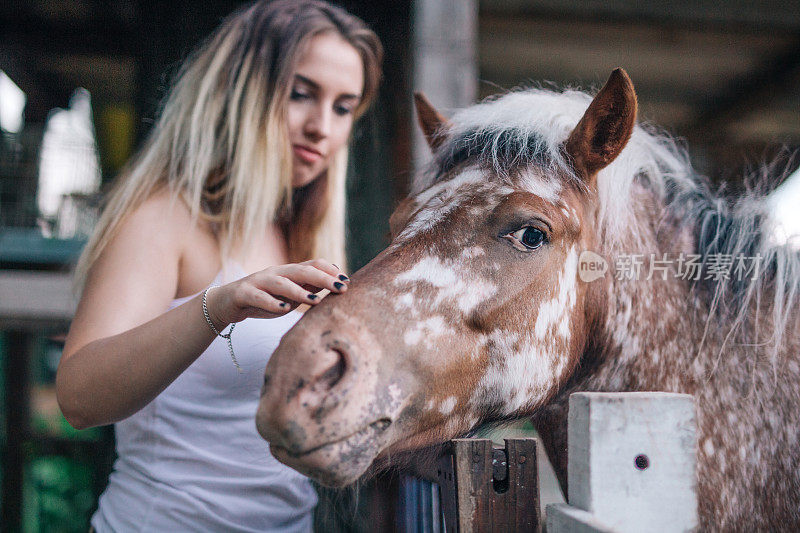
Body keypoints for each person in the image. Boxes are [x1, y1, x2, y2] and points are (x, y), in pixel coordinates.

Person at [55, 1, 382, 530]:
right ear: (241, 91)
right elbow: (78, 397)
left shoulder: (304, 236)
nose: (321, 126)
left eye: (343, 107)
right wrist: (218, 305)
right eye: (301, 93)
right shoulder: (166, 219)